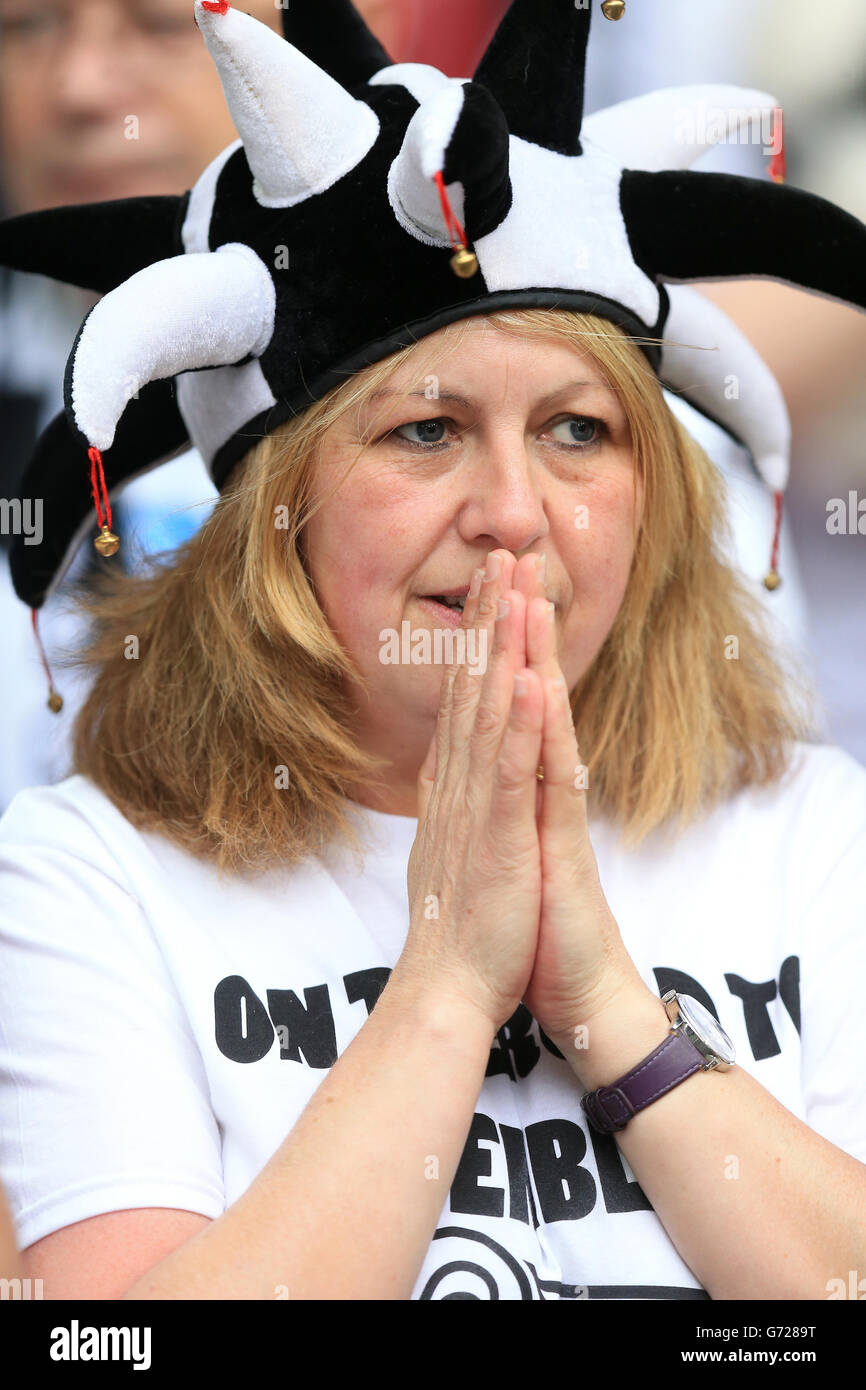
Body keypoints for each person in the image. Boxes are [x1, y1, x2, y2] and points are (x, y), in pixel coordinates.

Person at [1, 0, 865, 1302]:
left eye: (578, 429)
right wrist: (448, 987)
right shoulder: (91, 876)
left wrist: (610, 1015)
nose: (513, 512)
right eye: (424, 431)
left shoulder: (810, 829)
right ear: (271, 517)